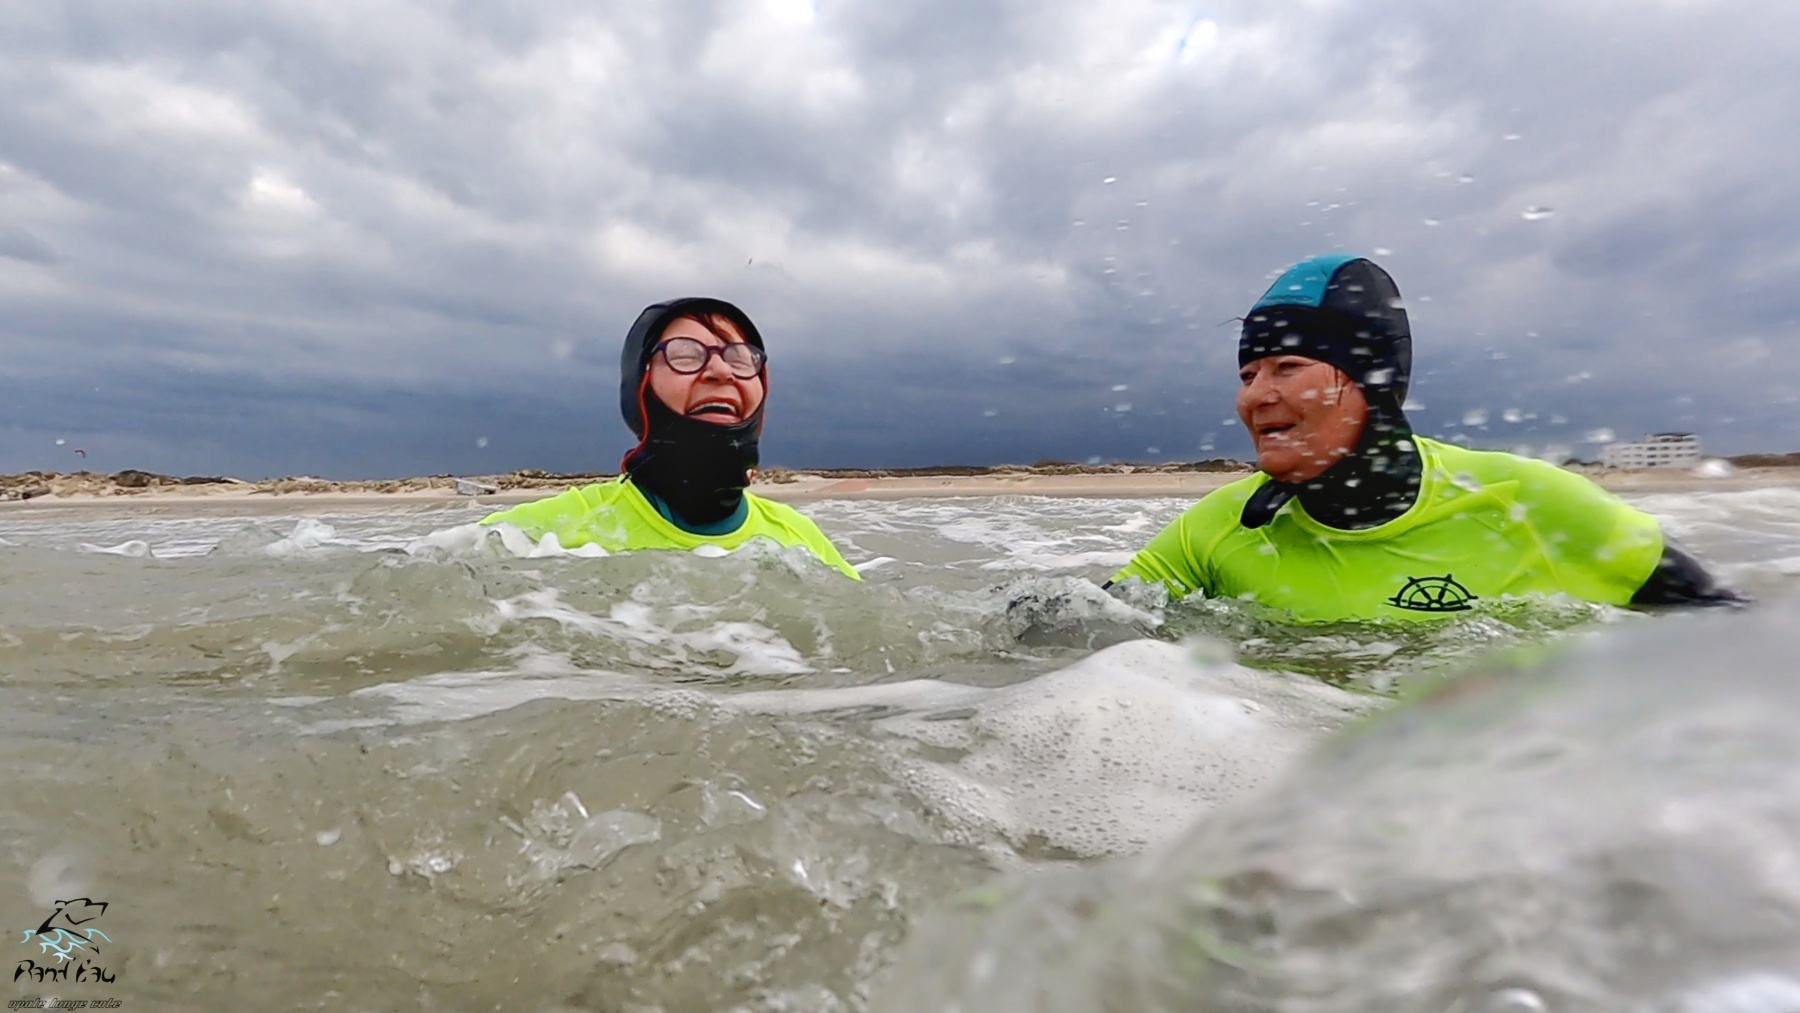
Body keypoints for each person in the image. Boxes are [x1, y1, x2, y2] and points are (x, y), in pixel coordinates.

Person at [1108, 254, 1739, 621]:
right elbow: (1082, 627)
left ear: (1371, 382)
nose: (1255, 396)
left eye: (1287, 368)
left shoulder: (1525, 502)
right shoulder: (1218, 531)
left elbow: (1732, 629)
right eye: (1247, 373)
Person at [481, 297, 859, 579]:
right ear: (640, 385)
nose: (720, 370)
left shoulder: (801, 542)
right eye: (685, 355)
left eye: (741, 357)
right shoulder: (547, 534)